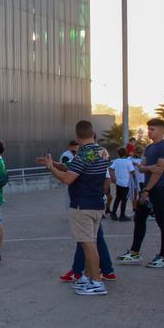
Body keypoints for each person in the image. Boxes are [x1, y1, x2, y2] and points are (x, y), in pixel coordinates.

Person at [39, 120, 110, 296]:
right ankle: (88, 277)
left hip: (82, 205)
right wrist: (56, 164)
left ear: (77, 137)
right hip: (97, 203)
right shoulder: (103, 152)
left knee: (88, 245)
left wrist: (50, 168)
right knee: (91, 242)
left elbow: (68, 179)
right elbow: (75, 170)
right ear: (92, 133)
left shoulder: (82, 155)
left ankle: (97, 282)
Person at [118, 119, 164, 269]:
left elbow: (159, 171)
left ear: (162, 131)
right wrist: (149, 168)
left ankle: (163, 257)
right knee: (139, 218)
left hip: (160, 189)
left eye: (153, 129)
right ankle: (134, 253)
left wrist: (146, 190)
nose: (149, 132)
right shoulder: (149, 148)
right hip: (148, 189)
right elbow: (143, 168)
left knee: (163, 222)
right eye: (149, 129)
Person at [108, 148, 133, 221]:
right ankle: (122, 215)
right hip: (126, 183)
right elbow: (132, 171)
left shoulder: (116, 161)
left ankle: (113, 213)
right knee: (124, 200)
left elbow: (111, 168)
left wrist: (113, 177)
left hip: (118, 182)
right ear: (126, 153)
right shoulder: (128, 162)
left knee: (118, 198)